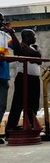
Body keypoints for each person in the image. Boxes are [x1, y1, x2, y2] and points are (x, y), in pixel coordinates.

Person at [5, 29, 42, 136]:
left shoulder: (34, 47)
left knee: (33, 103)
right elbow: (21, 53)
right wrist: (32, 56)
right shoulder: (18, 47)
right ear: (26, 37)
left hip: (35, 78)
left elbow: (39, 56)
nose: (35, 38)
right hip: (23, 77)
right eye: (33, 36)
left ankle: (31, 124)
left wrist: (30, 53)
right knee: (18, 103)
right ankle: (10, 128)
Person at [0, 12, 18, 144]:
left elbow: (17, 48)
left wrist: (11, 32)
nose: (1, 21)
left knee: (1, 105)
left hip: (3, 76)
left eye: (2, 19)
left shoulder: (5, 36)